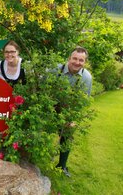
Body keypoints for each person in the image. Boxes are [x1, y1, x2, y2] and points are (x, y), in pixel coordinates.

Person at [56, 47, 92, 177]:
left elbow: (82, 102)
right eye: (75, 58)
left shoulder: (86, 78)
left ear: (85, 62)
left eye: (81, 60)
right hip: (51, 105)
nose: (77, 62)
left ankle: (62, 165)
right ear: (69, 59)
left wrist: (73, 120)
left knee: (67, 136)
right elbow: (41, 89)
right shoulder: (56, 69)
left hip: (69, 110)